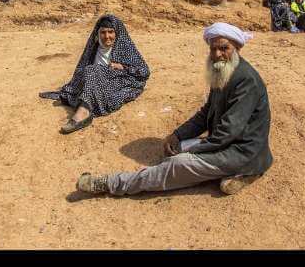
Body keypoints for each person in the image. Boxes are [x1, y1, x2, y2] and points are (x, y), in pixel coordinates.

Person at [75, 22, 273, 197]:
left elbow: (227, 132)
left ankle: (110, 183)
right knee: (174, 148)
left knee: (175, 164)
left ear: (237, 48)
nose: (217, 54)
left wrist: (193, 152)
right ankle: (224, 172)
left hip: (240, 151)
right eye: (213, 49)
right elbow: (206, 114)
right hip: (226, 144)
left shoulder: (246, 80)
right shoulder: (224, 70)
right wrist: (177, 136)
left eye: (224, 48)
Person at [39, 15, 150, 134]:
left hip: (120, 82)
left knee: (92, 71)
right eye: (103, 32)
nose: (107, 36)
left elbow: (145, 72)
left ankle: (83, 113)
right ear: (98, 33)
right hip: (96, 82)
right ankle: (85, 107)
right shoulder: (93, 48)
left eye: (111, 32)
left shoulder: (125, 48)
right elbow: (81, 69)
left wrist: (124, 67)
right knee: (89, 71)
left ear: (117, 33)